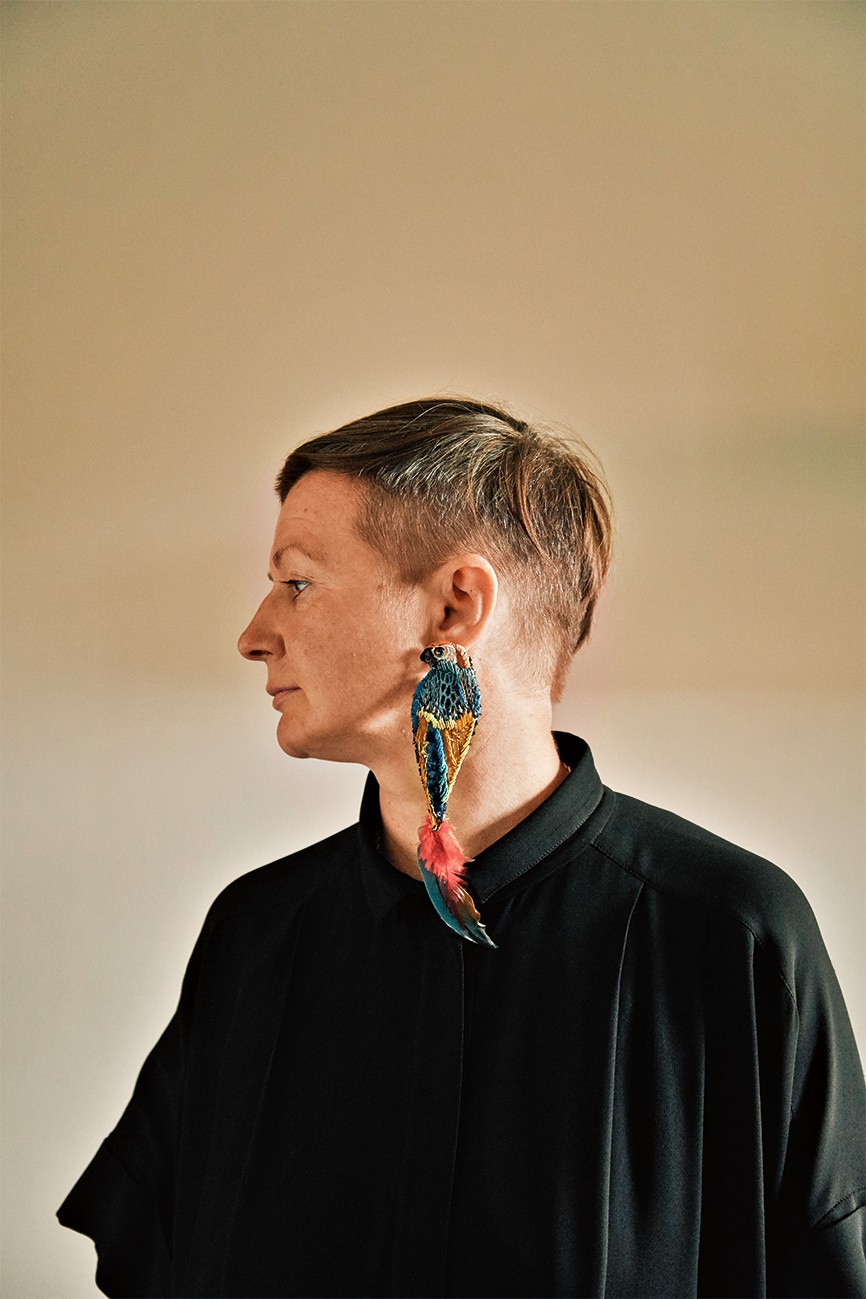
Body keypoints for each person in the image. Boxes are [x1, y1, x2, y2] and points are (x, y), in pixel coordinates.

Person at [58, 398, 866, 1298]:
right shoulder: (254, 936)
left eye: (298, 583)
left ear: (455, 606)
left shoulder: (731, 938)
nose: (254, 635)